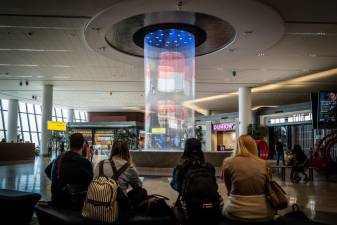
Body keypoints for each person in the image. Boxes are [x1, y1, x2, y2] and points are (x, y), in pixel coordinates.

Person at [222, 135, 274, 222]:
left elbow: (229, 191)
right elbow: (268, 189)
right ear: (254, 146)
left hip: (235, 212)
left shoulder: (228, 162)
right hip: (263, 212)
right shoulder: (264, 164)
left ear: (237, 145)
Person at [171, 138, 221, 223]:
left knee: (173, 209)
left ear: (186, 149)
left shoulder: (181, 167)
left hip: (191, 211)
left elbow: (175, 185)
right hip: (212, 208)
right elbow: (214, 186)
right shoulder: (209, 166)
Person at [45, 133, 93, 210]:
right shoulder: (85, 163)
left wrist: (58, 181)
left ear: (69, 144)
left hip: (56, 203)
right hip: (75, 207)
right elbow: (90, 184)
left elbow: (47, 170)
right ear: (83, 145)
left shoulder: (59, 158)